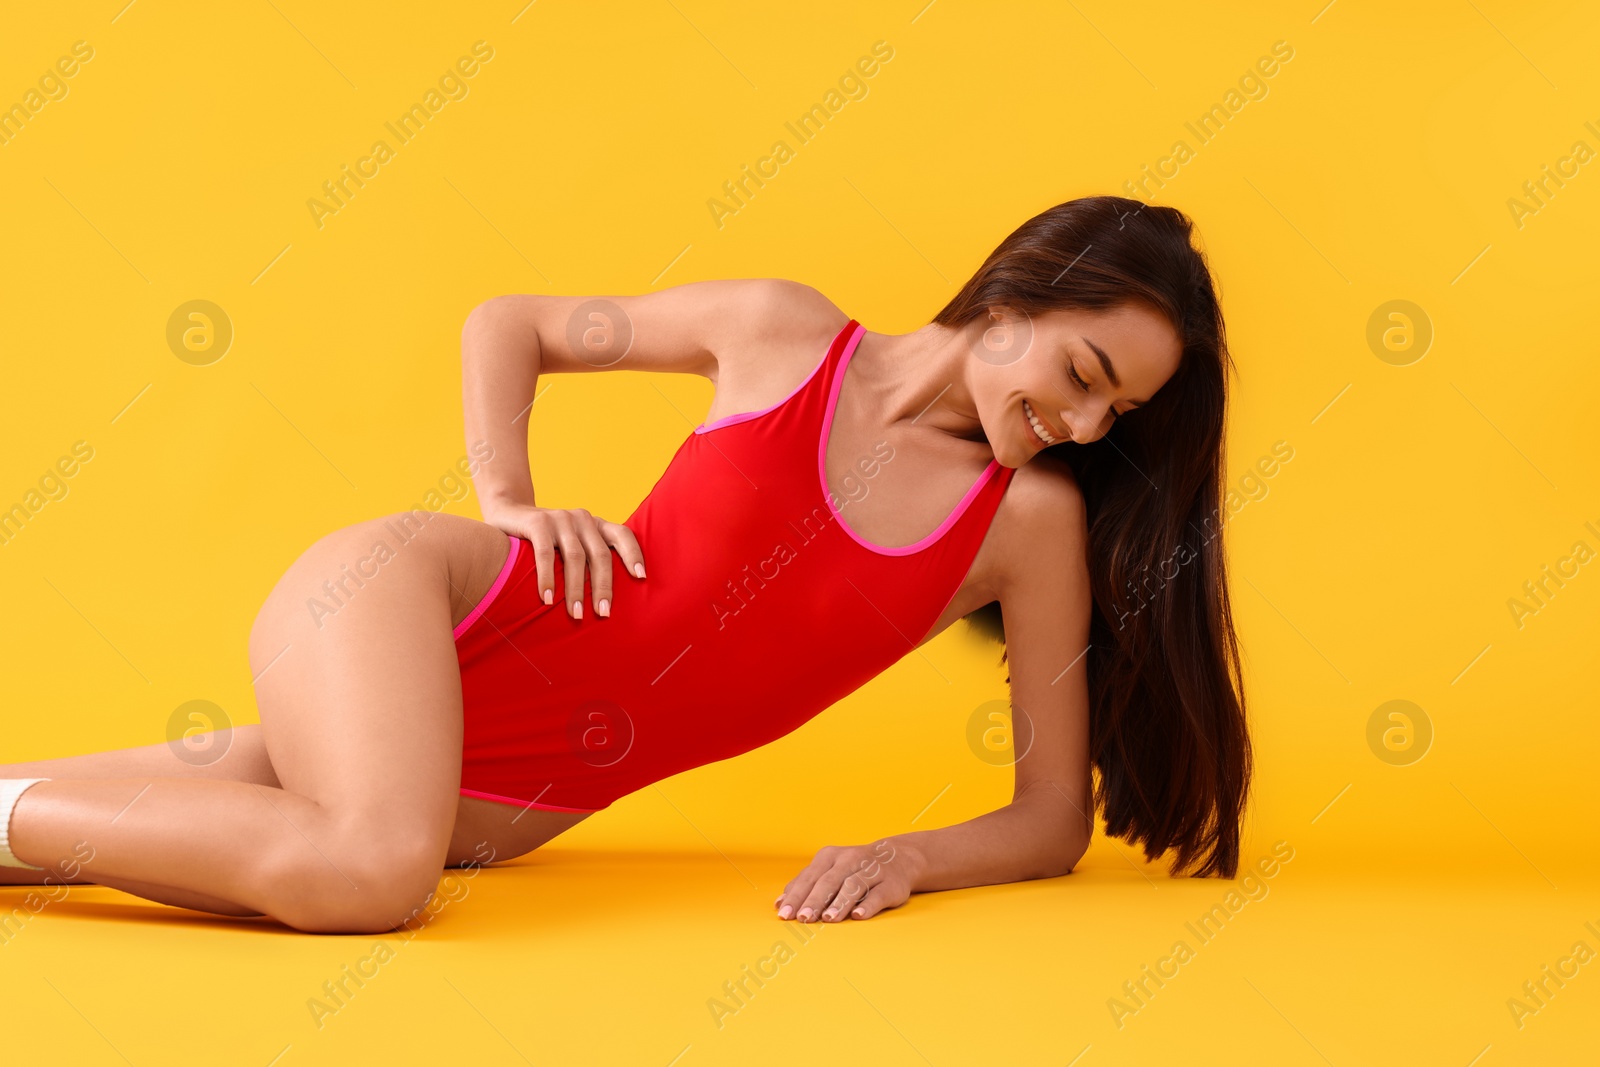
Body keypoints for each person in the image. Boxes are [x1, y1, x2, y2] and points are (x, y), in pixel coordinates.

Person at [0, 195, 1248, 933]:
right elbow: (515, 323)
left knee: (82, 827)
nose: (1086, 428)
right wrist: (510, 500)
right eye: (1083, 377)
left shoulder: (1020, 523)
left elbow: (1048, 822)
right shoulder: (781, 330)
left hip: (466, 788)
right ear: (1020, 293)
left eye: (1117, 416)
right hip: (416, 606)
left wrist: (905, 855)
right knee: (369, 870)